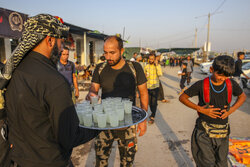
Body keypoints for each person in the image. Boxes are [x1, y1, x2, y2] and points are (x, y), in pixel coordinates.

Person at [2, 14, 98, 167]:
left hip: (20, 160)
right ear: (50, 40)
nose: (61, 49)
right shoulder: (54, 81)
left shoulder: (15, 72)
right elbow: (69, 137)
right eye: (61, 42)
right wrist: (99, 125)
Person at [86, 36, 148, 167]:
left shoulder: (135, 68)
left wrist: (143, 119)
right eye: (105, 52)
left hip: (128, 122)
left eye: (112, 53)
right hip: (105, 123)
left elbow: (143, 93)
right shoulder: (100, 68)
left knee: (127, 162)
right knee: (101, 160)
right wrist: (91, 95)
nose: (108, 57)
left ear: (122, 51)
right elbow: (93, 90)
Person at [179, 55, 246, 167]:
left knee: (222, 163)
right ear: (211, 70)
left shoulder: (231, 84)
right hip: (203, 133)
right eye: (219, 74)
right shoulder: (201, 85)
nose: (222, 78)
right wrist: (201, 109)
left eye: (226, 76)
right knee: (206, 163)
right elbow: (182, 98)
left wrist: (231, 110)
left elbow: (242, 97)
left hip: (223, 134)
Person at [144, 53, 162, 124]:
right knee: (149, 103)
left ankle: (152, 116)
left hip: (155, 87)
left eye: (152, 59)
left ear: (154, 59)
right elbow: (144, 75)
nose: (151, 60)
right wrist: (145, 75)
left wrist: (157, 65)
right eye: (150, 59)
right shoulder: (146, 66)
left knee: (153, 102)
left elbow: (160, 74)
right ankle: (152, 111)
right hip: (147, 87)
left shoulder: (158, 66)